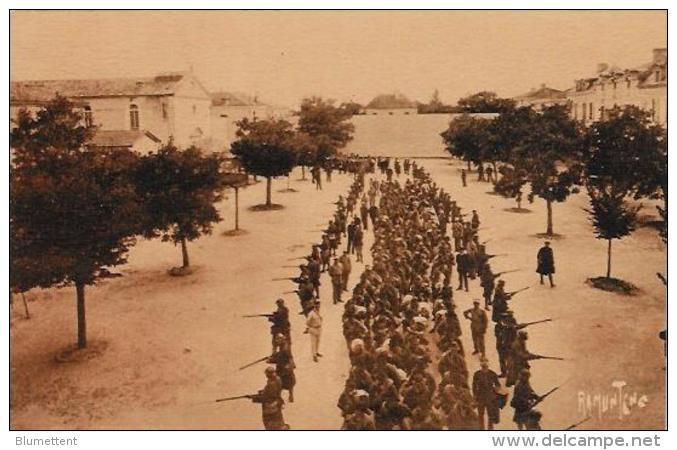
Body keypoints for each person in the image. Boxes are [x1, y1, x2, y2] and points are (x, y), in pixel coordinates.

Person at [472, 358, 501, 430]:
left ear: (488, 365)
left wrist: (495, 390)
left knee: (490, 415)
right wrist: (475, 396)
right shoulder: (477, 374)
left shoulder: (492, 374)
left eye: (486, 364)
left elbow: (498, 385)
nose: (484, 366)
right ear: (481, 365)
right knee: (480, 415)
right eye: (483, 364)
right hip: (480, 397)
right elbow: (474, 386)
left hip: (490, 397)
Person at [268, 334, 296, 402]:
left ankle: (279, 397)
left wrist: (271, 360)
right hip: (286, 368)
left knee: (279, 383)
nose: (277, 341)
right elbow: (280, 355)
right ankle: (290, 395)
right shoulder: (284, 346)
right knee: (289, 383)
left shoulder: (285, 349)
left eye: (278, 340)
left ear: (282, 340)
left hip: (283, 368)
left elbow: (281, 359)